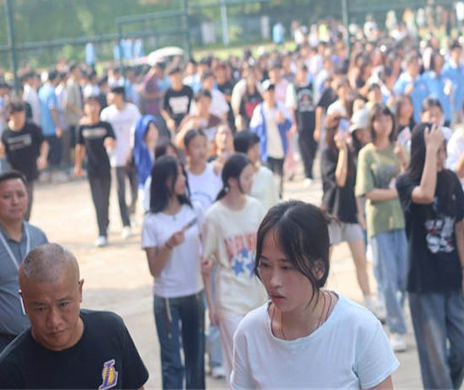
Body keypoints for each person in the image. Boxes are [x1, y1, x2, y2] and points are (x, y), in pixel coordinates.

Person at [232, 200, 399, 389]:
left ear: (319, 268)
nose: (273, 281)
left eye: (286, 267)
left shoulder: (360, 329)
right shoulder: (250, 333)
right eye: (265, 265)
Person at [0, 243, 148, 389]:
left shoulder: (111, 331)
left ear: (79, 290)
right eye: (41, 308)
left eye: (63, 304)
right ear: (24, 302)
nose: (54, 321)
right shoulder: (8, 375)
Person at [396, 123, 464, 389]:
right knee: (435, 361)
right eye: (435, 150)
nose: (442, 156)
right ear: (422, 152)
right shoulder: (405, 182)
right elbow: (426, 194)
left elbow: (460, 228)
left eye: (443, 150)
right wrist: (430, 151)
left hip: (453, 280)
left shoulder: (451, 179)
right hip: (424, 283)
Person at [0, 172, 49, 373]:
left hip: (41, 335)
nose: (15, 201)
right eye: (6, 196)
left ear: (28, 197)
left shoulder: (38, 237)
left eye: (20, 194)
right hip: (1, 341)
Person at [141, 155, 206, 390]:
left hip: (195, 292)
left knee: (195, 358)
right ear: (165, 181)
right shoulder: (151, 221)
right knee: (172, 362)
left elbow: (205, 247)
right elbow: (154, 270)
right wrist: (168, 245)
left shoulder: (194, 210)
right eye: (178, 174)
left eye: (183, 173)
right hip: (167, 298)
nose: (183, 179)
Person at [201, 154, 267, 381]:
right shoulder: (214, 216)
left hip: (258, 298)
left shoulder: (256, 208)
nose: (251, 182)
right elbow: (205, 266)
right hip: (230, 301)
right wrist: (212, 306)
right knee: (238, 365)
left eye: (251, 177)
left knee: (260, 365)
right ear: (231, 181)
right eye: (246, 177)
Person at [355, 104, 408, 352]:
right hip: (379, 222)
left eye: (387, 119)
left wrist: (403, 158)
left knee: (404, 277)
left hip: (402, 219)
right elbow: (367, 191)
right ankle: (397, 328)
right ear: (372, 123)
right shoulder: (367, 154)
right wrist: (395, 193)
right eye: (379, 120)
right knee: (387, 278)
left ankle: (395, 312)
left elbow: (410, 179)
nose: (384, 124)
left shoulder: (399, 148)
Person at [320, 112, 380, 321]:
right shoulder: (327, 154)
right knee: (324, 262)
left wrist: (359, 213)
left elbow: (353, 186)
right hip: (332, 215)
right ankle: (319, 302)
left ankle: (370, 302)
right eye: (339, 129)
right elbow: (339, 179)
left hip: (350, 214)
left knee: (360, 260)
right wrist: (343, 151)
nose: (343, 133)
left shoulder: (352, 152)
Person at [74, 95, 117, 247]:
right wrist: (78, 165)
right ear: (85, 108)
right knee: (97, 200)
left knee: (105, 199)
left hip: (105, 167)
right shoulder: (82, 128)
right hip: (92, 169)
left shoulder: (106, 125)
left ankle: (105, 223)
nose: (92, 108)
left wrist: (110, 143)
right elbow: (79, 147)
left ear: (99, 107)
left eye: (95, 105)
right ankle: (102, 233)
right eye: (89, 105)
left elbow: (113, 141)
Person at [0, 101, 47, 221]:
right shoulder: (6, 133)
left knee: (26, 205)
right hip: (13, 175)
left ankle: (23, 226)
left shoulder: (32, 128)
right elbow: (1, 152)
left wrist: (43, 157)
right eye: (16, 115)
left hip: (29, 173)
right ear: (10, 116)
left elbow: (43, 143)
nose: (19, 118)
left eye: (21, 114)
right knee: (14, 205)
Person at [101, 86, 141, 228]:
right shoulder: (106, 113)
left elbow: (138, 131)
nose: (109, 98)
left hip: (132, 156)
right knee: (120, 192)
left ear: (120, 95)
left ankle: (132, 211)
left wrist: (132, 150)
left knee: (135, 189)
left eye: (112, 94)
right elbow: (104, 133)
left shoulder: (132, 110)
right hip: (116, 158)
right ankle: (126, 223)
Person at [249, 81, 292, 196]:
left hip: (279, 147)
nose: (270, 94)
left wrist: (283, 121)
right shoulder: (259, 110)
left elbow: (289, 125)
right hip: (266, 149)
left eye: (272, 91)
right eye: (268, 92)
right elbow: (254, 130)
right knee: (269, 174)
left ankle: (279, 195)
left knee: (279, 175)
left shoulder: (281, 107)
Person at [233, 130, 280, 211]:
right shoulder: (234, 179)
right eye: (251, 148)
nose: (256, 151)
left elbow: (275, 203)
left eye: (257, 146)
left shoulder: (267, 174)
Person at [161, 65, 194, 138]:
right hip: (174, 122)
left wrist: (186, 119)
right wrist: (169, 120)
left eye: (179, 76)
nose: (177, 79)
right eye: (175, 77)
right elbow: (163, 109)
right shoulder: (168, 93)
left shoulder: (188, 90)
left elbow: (193, 106)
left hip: (187, 121)